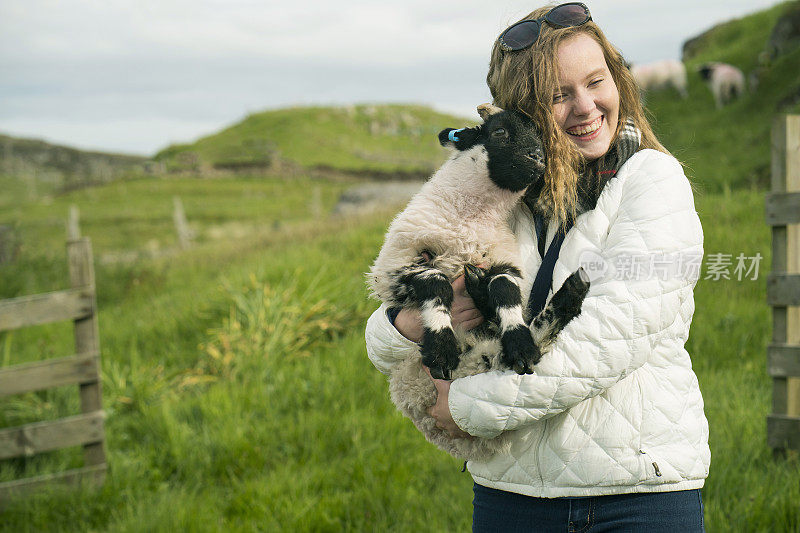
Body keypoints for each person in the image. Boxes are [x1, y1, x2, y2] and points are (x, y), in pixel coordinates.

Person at [365, 3, 710, 531]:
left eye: (596, 82)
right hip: (511, 493)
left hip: (634, 494)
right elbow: (399, 295)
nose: (585, 106)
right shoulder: (497, 197)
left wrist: (464, 406)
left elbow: (607, 340)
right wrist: (401, 326)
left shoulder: (653, 182)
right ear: (521, 113)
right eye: (557, 95)